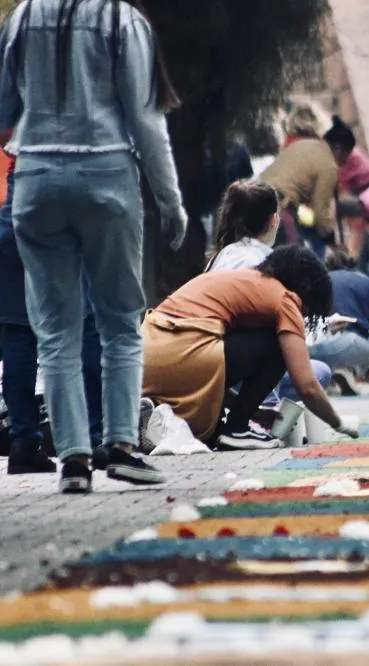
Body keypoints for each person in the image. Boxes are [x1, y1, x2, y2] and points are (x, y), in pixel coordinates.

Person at [0, 0, 188, 493]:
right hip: (107, 176)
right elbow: (146, 121)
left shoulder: (20, 18)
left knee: (55, 330)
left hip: (35, 179)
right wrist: (171, 201)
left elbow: (3, 108)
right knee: (120, 322)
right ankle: (122, 446)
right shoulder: (120, 19)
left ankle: (74, 462)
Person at [143, 246, 360, 449]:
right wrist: (338, 423)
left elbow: (214, 371)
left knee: (211, 429)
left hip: (149, 359)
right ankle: (236, 428)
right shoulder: (284, 298)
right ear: (307, 290)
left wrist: (252, 411)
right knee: (277, 345)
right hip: (187, 353)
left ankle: (157, 419)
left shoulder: (241, 282)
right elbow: (306, 386)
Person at [0, 131, 103, 475]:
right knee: (86, 318)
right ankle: (97, 437)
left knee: (18, 334)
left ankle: (24, 444)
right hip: (65, 188)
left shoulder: (14, 82)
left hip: (14, 205)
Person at [205, 180, 334, 415]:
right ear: (274, 219)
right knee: (318, 372)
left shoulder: (221, 255)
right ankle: (261, 408)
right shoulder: (266, 264)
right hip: (232, 365)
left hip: (208, 355)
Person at [259, 107, 339, 257]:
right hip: (283, 207)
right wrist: (333, 242)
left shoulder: (289, 144)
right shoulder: (323, 156)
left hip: (261, 198)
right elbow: (321, 212)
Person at [310, 248, 369, 380]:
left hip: (314, 347)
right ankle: (360, 370)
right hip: (350, 343)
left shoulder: (315, 281)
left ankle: (328, 373)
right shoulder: (363, 279)